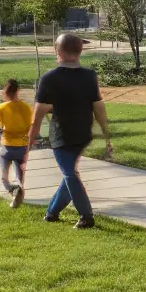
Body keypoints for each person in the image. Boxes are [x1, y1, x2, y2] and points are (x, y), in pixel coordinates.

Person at [28, 32, 112, 229]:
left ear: (57, 51)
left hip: (62, 136)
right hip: (83, 134)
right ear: (80, 52)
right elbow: (98, 107)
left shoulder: (49, 78)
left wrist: (31, 136)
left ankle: (86, 216)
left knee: (70, 174)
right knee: (70, 173)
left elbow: (38, 113)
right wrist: (105, 133)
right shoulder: (89, 76)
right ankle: (51, 213)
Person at [0, 79, 33, 207]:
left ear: (4, 93)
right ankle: (18, 189)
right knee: (20, 175)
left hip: (7, 146)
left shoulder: (1, 107)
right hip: (22, 146)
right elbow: (31, 125)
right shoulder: (26, 107)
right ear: (18, 91)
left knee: (4, 176)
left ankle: (11, 188)